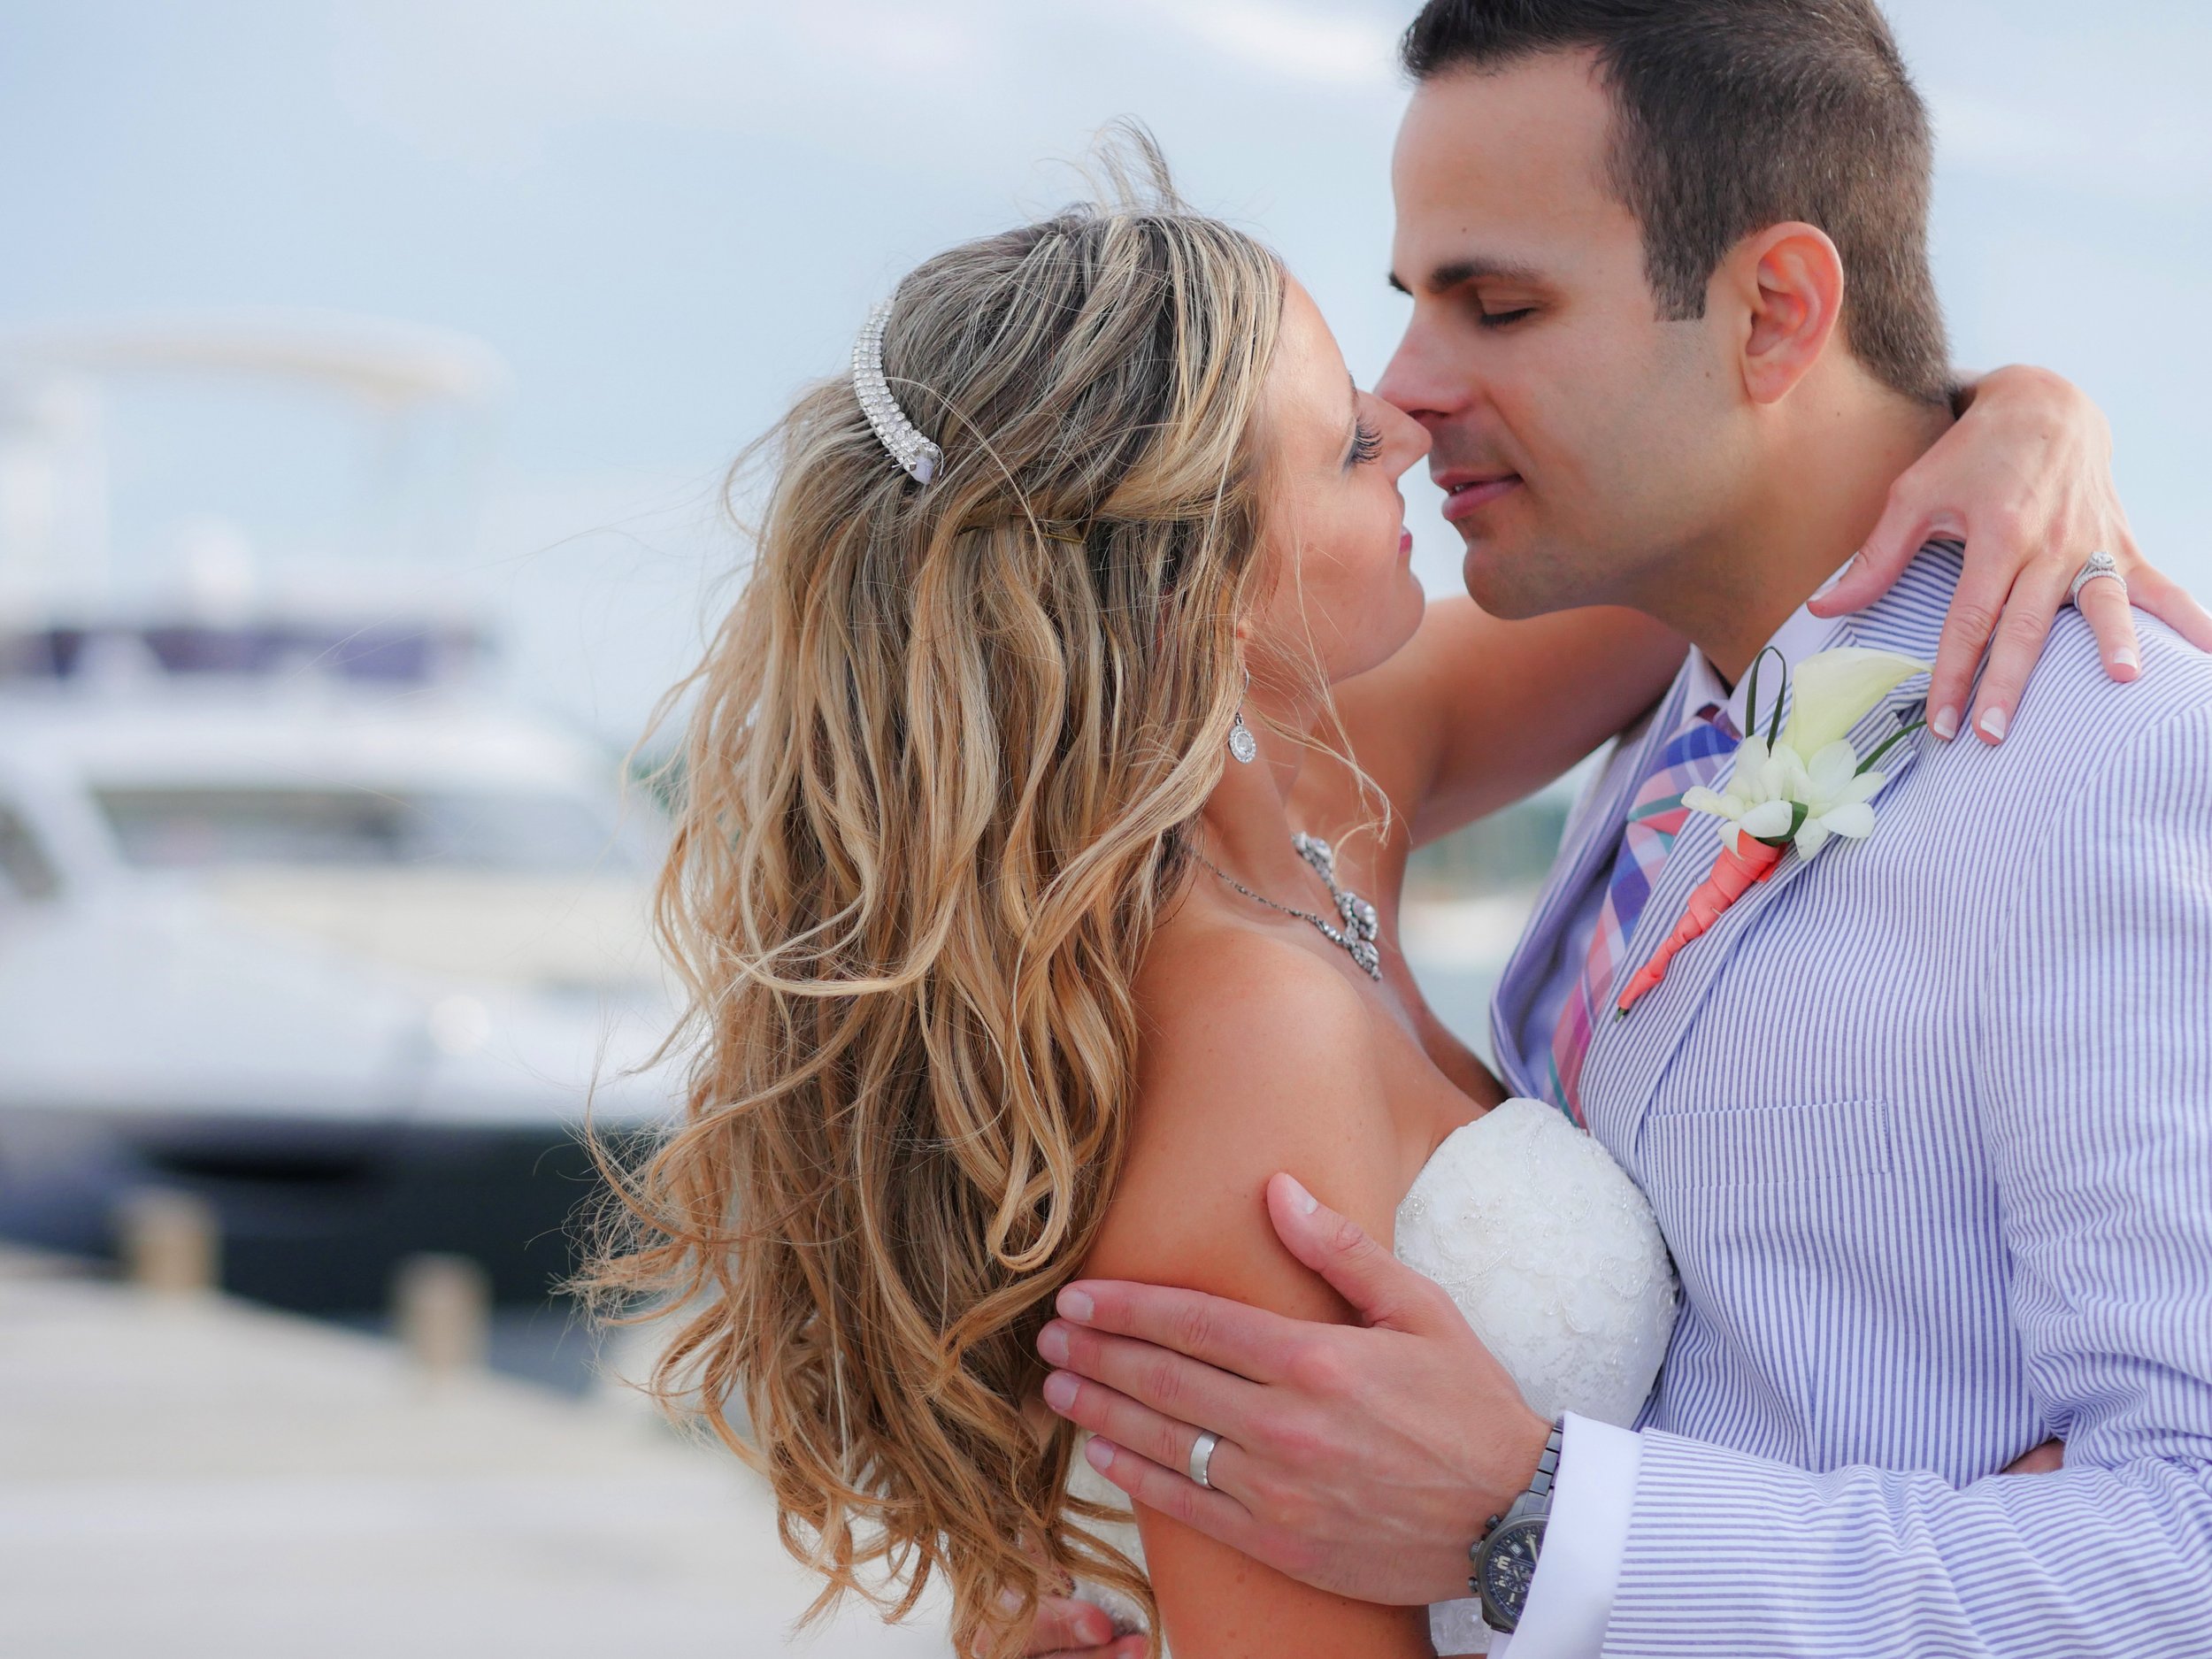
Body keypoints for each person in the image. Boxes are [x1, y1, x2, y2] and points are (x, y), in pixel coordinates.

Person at [586, 138, 2172, 1659]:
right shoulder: (1245, 1032)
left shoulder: (1326, 793)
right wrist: (1575, 1546)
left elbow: (1760, 533)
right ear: (1197, 590)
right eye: (1349, 441)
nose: (1411, 423)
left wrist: (2022, 420)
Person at [1032, 4, 2212, 1657]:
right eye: (1414, 304)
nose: (1411, 394)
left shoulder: (2122, 773)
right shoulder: (1670, 657)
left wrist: (1536, 1522)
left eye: (1499, 305)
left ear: (1778, 311)